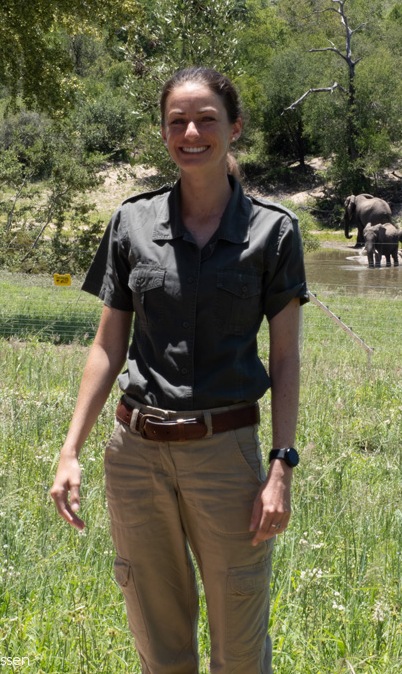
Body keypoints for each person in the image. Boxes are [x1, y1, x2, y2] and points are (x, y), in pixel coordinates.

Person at [50, 66, 309, 674]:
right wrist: (70, 450)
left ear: (234, 128)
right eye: (177, 121)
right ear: (164, 132)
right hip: (134, 455)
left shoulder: (274, 232)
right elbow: (108, 345)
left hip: (227, 455)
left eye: (206, 119)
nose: (191, 132)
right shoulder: (131, 223)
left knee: (240, 652)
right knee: (160, 646)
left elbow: (288, 355)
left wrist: (282, 465)